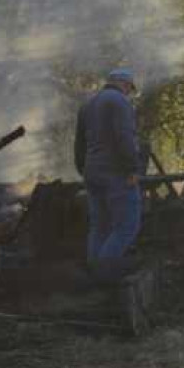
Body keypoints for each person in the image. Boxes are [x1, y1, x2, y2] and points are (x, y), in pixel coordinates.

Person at [74, 68, 143, 272]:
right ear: (125, 83)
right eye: (130, 88)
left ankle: (92, 275)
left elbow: (79, 144)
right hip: (116, 173)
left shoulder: (87, 105)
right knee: (126, 226)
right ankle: (103, 273)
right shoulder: (119, 102)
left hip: (92, 173)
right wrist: (132, 169)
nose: (129, 93)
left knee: (100, 227)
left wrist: (83, 169)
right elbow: (125, 138)